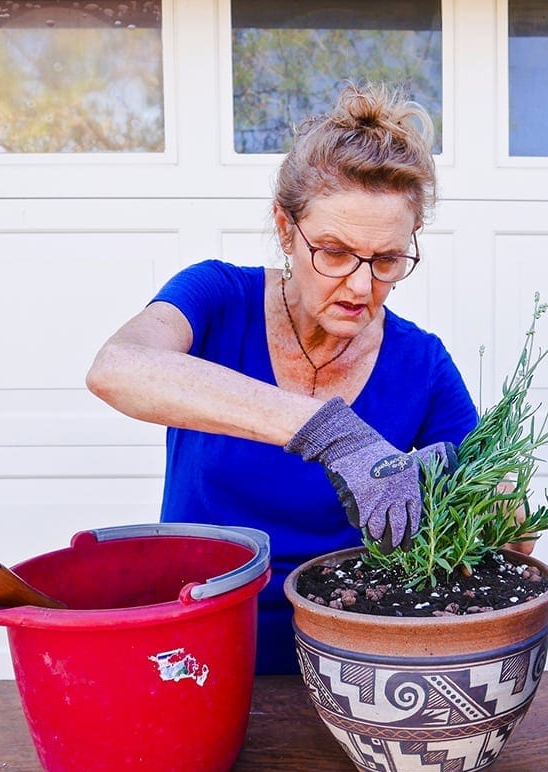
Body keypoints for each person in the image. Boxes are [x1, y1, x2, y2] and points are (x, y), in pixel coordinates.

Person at [86, 83, 478, 673]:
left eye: (387, 260)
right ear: (286, 229)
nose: (361, 285)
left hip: (349, 663)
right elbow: (116, 368)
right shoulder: (219, 299)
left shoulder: (421, 365)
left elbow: (504, 529)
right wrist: (334, 435)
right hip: (195, 646)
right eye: (334, 251)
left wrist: (458, 488)